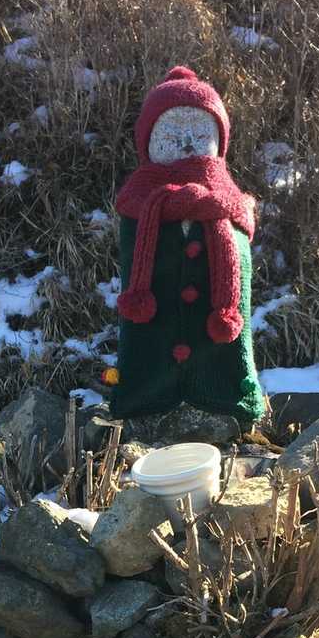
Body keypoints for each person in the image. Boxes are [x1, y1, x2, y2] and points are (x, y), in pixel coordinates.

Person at [109, 66, 266, 430]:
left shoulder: (231, 207)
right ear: (147, 143)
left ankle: (227, 395)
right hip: (153, 355)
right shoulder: (137, 206)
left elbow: (238, 289)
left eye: (200, 134)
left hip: (216, 350)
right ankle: (144, 397)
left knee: (226, 351)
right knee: (147, 340)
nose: (185, 145)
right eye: (170, 134)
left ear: (219, 142)